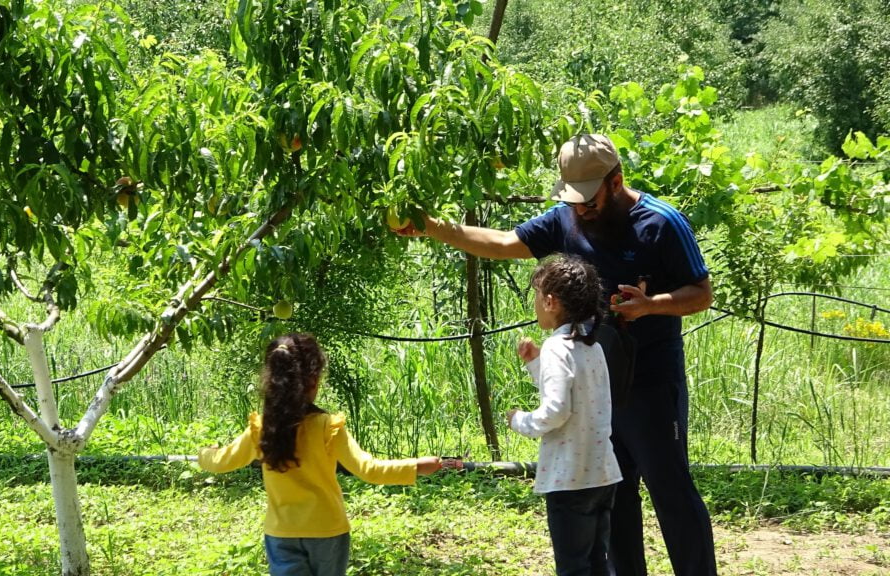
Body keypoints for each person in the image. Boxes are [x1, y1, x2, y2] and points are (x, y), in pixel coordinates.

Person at [397, 133, 717, 576]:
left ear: (616, 181)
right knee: (615, 495)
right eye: (573, 200)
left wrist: (650, 305)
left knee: (671, 491)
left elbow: (702, 293)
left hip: (651, 383)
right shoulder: (566, 217)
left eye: (589, 200)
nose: (580, 210)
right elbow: (503, 243)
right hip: (595, 393)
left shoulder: (661, 223)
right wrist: (432, 226)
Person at [198, 332, 446, 576]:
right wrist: (417, 465)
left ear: (271, 380)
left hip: (282, 533)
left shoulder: (261, 429)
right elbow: (369, 469)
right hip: (328, 531)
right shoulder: (327, 427)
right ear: (314, 381)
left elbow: (221, 461)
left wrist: (204, 454)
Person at [507, 255, 623, 576]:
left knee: (573, 568)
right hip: (601, 474)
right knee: (597, 564)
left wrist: (519, 421)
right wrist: (536, 364)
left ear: (550, 301)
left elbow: (556, 410)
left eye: (536, 296)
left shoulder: (557, 347)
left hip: (570, 479)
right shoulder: (591, 346)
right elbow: (578, 395)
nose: (535, 304)